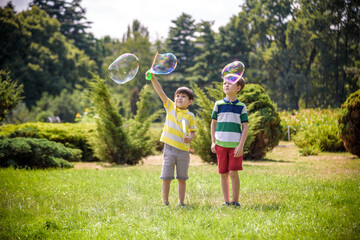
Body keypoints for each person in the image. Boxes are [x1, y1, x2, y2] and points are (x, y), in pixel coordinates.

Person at [146, 71, 196, 206]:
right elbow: (160, 92)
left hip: (183, 151)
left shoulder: (190, 115)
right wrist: (153, 78)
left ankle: (181, 202)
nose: (179, 98)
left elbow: (193, 132)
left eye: (183, 97)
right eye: (177, 96)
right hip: (169, 149)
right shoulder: (170, 107)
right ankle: (165, 202)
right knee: (166, 177)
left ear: (190, 101)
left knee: (182, 178)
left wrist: (190, 138)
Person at [210, 77, 248, 207]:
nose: (225, 85)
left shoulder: (241, 107)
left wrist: (241, 145)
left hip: (235, 146)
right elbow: (213, 124)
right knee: (223, 173)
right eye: (224, 83)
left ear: (238, 88)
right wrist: (213, 141)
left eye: (229, 83)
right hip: (220, 145)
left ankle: (236, 201)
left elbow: (245, 127)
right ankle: (226, 201)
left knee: (233, 172)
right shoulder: (218, 105)